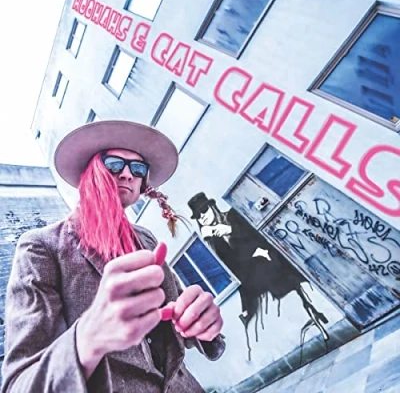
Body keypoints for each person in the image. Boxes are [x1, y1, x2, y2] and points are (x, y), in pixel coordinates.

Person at [1, 121, 225, 393]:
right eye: (115, 164)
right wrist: (89, 337)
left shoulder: (146, 240)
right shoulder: (41, 247)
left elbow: (179, 320)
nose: (128, 174)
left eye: (138, 169)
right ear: (89, 172)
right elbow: (19, 385)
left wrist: (202, 323)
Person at [187, 192, 328, 361]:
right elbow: (228, 265)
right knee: (262, 324)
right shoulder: (211, 238)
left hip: (273, 272)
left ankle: (315, 321)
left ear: (212, 207)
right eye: (198, 216)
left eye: (204, 211)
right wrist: (209, 240)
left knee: (295, 298)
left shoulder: (233, 217)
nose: (202, 217)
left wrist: (230, 230)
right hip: (253, 285)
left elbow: (255, 236)